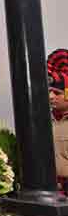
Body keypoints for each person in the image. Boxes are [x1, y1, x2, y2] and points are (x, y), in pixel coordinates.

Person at [47, 49, 68, 189]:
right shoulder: (43, 122)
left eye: (57, 93)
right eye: (49, 91)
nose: (51, 96)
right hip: (52, 189)